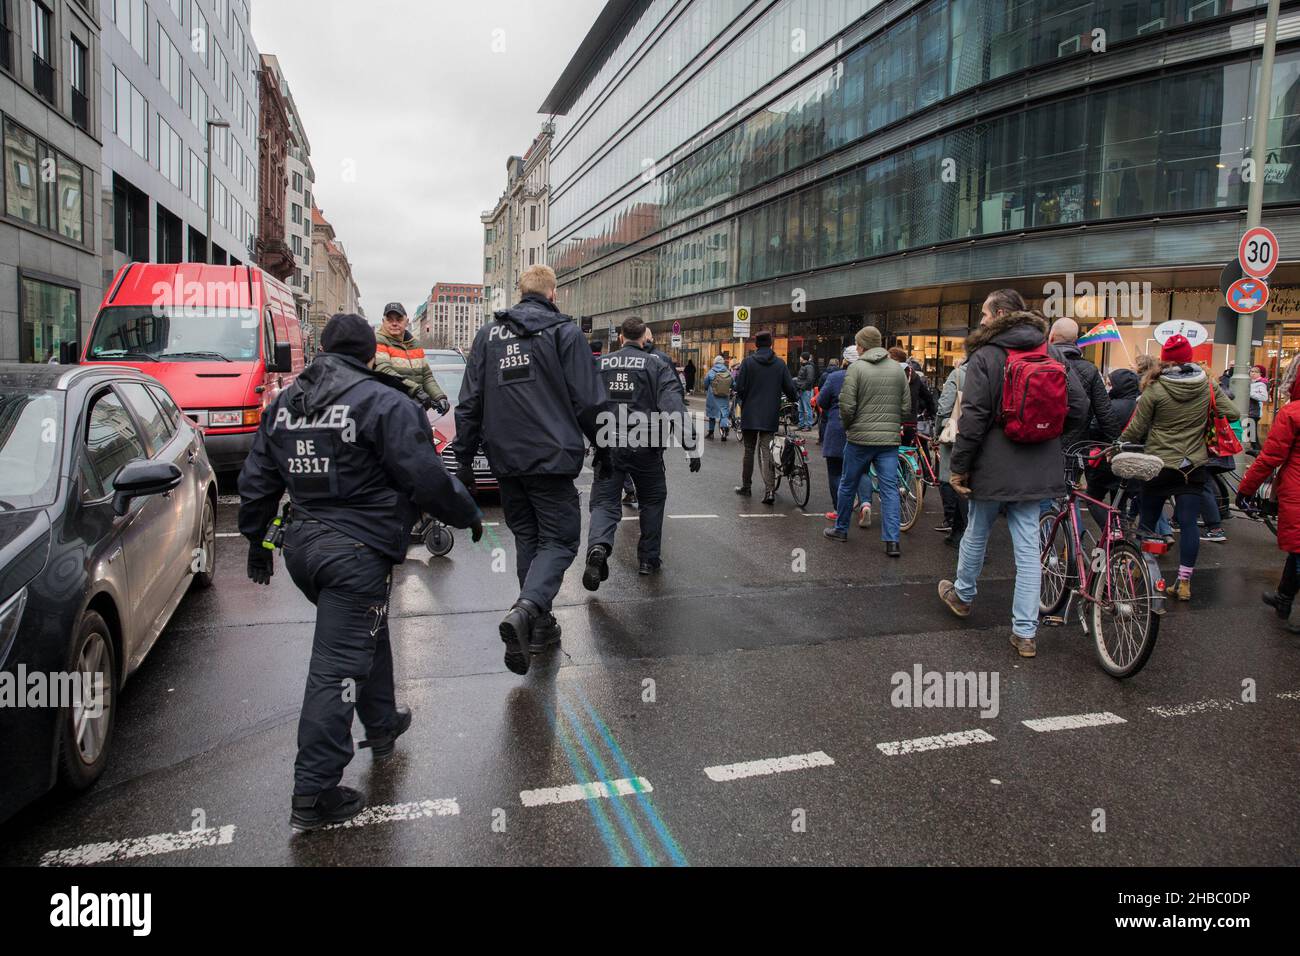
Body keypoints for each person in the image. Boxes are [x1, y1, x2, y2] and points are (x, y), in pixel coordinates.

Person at [238, 313, 482, 831]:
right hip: (355, 551)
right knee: (335, 667)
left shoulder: (285, 405)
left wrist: (257, 544)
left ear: (322, 349)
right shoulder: (384, 402)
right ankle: (314, 792)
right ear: (370, 354)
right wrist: (467, 513)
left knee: (365, 632)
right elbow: (426, 476)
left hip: (304, 547)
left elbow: (256, 481)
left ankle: (382, 722)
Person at [454, 264, 607, 675]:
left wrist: (463, 458)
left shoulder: (488, 336)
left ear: (520, 294)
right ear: (553, 294)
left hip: (505, 460)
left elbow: (469, 402)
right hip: (551, 458)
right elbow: (589, 402)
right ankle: (525, 612)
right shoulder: (564, 333)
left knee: (528, 537)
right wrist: (605, 446)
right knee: (558, 541)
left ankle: (539, 626)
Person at [937, 298, 1068, 659]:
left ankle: (963, 595)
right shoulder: (1050, 351)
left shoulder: (986, 355)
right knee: (1028, 548)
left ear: (998, 316)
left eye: (983, 313)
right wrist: (1047, 437)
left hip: (993, 462)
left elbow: (974, 417)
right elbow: (1077, 406)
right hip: (1037, 462)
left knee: (977, 529)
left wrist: (959, 465)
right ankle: (1025, 633)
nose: (979, 319)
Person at [1120, 334, 1238, 602]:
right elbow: (1232, 413)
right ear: (1189, 357)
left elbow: (1136, 429)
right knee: (1188, 524)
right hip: (1193, 464)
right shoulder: (1207, 386)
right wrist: (1205, 415)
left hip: (1159, 465)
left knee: (1148, 521)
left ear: (1165, 358)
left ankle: (1139, 572)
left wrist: (1118, 444)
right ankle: (1184, 582)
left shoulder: (1155, 387)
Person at [583, 317, 699, 587]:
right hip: (646, 447)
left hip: (608, 443)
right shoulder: (657, 365)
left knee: (604, 503)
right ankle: (648, 559)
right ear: (644, 338)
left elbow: (585, 405)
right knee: (653, 500)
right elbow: (672, 404)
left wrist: (589, 441)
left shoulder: (601, 365)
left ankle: (598, 547)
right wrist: (690, 445)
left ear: (621, 337)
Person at [823, 326, 908, 555]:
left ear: (861, 346)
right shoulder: (897, 369)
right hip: (888, 441)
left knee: (848, 483)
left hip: (859, 439)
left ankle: (841, 529)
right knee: (889, 489)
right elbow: (906, 406)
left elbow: (847, 406)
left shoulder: (856, 368)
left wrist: (850, 426)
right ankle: (892, 542)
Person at [1239, 375, 1300, 632]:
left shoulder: (1292, 413)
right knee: (1297, 550)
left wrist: (1246, 489)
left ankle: (1284, 598)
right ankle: (1283, 598)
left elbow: (1270, 457)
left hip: (1297, 489)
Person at [734, 331, 798, 505]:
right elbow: (789, 388)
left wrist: (744, 399)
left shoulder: (747, 363)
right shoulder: (779, 364)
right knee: (767, 451)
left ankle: (746, 486)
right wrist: (795, 400)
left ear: (756, 344)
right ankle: (769, 491)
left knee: (749, 450)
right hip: (769, 414)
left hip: (750, 414)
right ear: (771, 344)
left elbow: (739, 387)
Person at [818, 345, 874, 522]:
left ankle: (839, 509)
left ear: (845, 360)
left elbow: (822, 401)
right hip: (861, 428)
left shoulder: (835, 377)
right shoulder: (868, 377)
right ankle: (866, 503)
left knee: (835, 472)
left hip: (837, 429)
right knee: (863, 470)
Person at [374, 302, 450, 415]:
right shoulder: (378, 341)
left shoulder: (415, 344)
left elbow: (427, 376)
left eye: (399, 319)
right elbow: (385, 372)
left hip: (415, 410)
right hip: (390, 411)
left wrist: (439, 397)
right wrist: (417, 391)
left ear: (407, 321)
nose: (394, 323)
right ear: (383, 321)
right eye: (390, 319)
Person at [935, 358, 968, 545]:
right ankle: (957, 531)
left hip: (957, 432)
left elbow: (945, 406)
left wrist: (938, 430)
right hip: (984, 433)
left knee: (952, 479)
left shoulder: (958, 374)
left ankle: (963, 532)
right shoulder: (998, 370)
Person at [889, 347, 936, 445]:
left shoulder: (889, 374)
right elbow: (928, 397)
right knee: (908, 450)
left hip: (893, 423)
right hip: (911, 422)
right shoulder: (914, 376)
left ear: (895, 360)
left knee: (890, 453)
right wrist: (930, 413)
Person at [703, 354, 734, 440]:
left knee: (712, 415)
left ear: (715, 362)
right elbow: (733, 383)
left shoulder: (711, 371)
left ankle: (711, 433)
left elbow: (705, 383)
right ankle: (724, 433)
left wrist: (706, 389)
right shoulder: (727, 372)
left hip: (712, 396)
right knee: (724, 415)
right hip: (724, 396)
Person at [1249, 365, 1269, 451]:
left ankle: (1257, 450)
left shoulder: (1261, 384)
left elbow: (1264, 397)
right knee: (1250, 433)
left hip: (1254, 412)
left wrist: (1249, 394)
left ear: (1260, 374)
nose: (1252, 373)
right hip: (1250, 411)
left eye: (1255, 372)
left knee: (1251, 433)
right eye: (1251, 371)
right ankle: (1256, 450)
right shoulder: (1250, 382)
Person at [796, 352, 817, 430]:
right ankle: (801, 424)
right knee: (801, 409)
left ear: (803, 358)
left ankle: (808, 425)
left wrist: (802, 387)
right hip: (802, 390)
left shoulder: (809, 367)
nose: (799, 358)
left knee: (807, 409)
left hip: (805, 391)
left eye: (800, 357)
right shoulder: (805, 366)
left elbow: (810, 379)